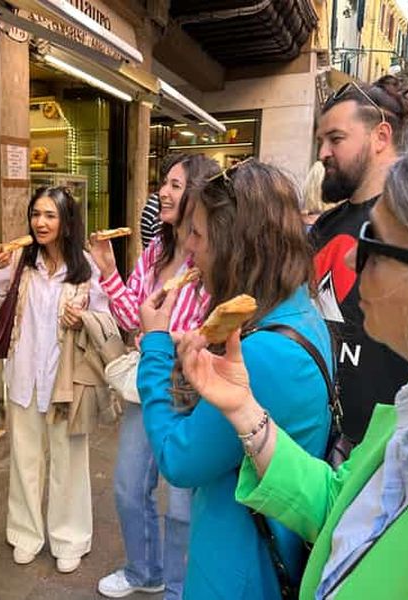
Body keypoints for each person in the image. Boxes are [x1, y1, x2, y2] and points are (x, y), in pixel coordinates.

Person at [180, 114, 408, 600]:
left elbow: (180, 460)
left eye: (374, 246)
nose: (347, 259)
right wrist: (243, 411)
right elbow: (339, 509)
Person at [137, 159, 332, 599]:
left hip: (238, 568)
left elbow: (178, 458)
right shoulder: (299, 310)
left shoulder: (265, 354)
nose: (189, 250)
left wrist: (153, 346)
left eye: (199, 235)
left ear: (236, 245)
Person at [91, 152, 218, 599]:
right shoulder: (155, 251)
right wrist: (109, 272)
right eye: (164, 183)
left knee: (183, 505)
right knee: (128, 486)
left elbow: (211, 331)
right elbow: (134, 317)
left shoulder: (211, 260)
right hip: (150, 384)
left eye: (176, 185)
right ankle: (144, 571)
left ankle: (180, 588)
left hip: (192, 389)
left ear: (199, 194)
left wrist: (168, 337)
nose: (163, 192)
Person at [0, 186, 109, 574]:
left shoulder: (85, 267)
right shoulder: (17, 264)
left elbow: (108, 321)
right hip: (25, 379)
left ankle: (70, 537)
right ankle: (26, 533)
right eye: (36, 215)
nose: (40, 223)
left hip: (67, 382)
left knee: (69, 463)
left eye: (50, 215)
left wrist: (84, 319)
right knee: (25, 462)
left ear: (66, 221)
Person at [311, 74, 408, 445]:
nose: (323, 152)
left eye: (336, 139)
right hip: (321, 434)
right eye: (321, 141)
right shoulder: (324, 226)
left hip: (389, 446)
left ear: (381, 137)